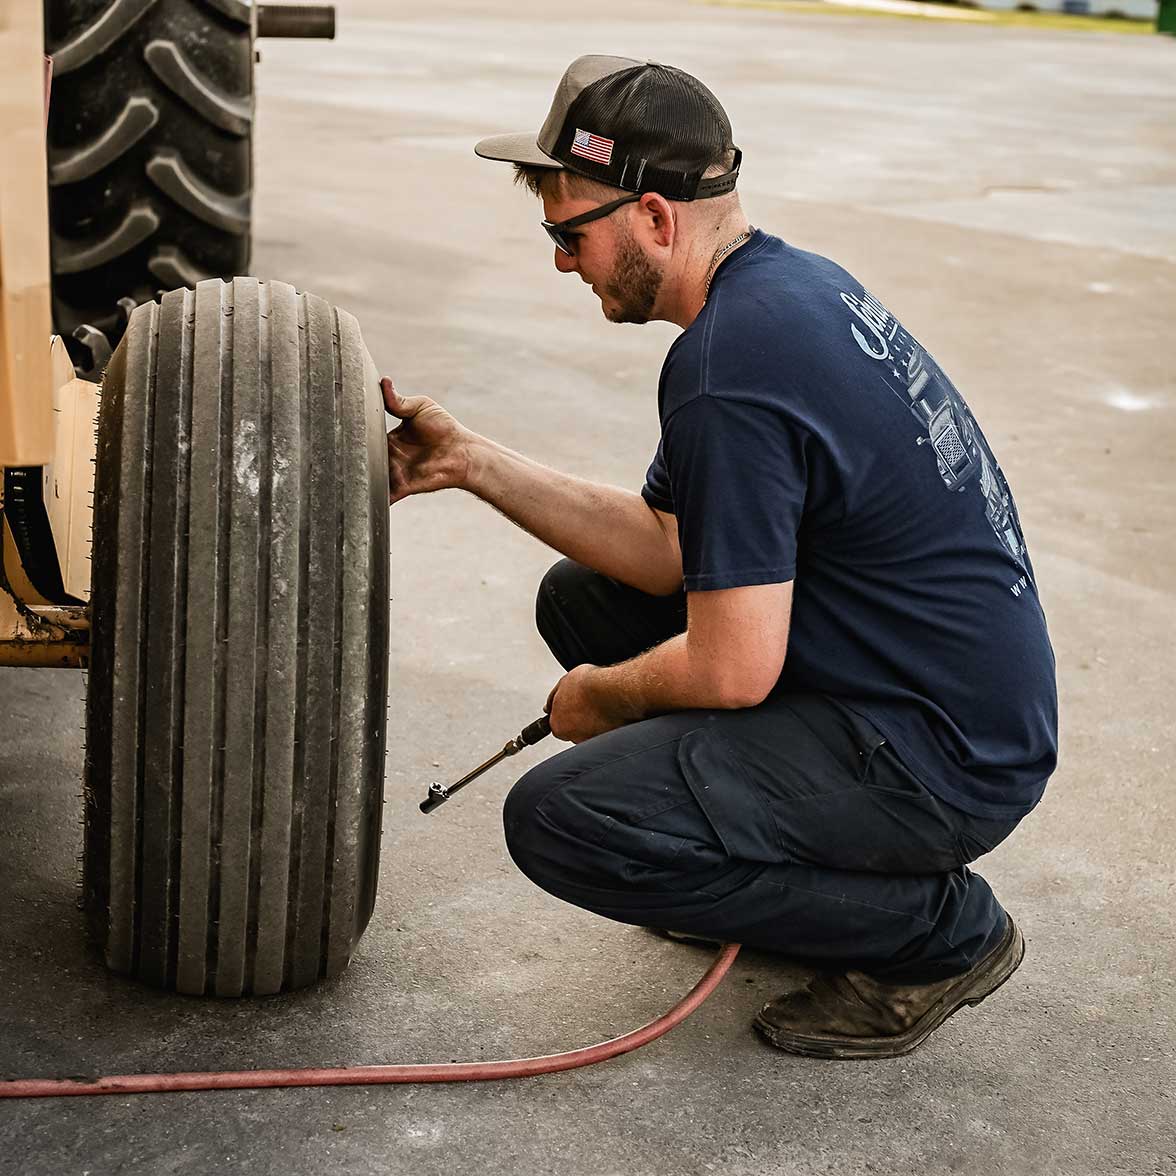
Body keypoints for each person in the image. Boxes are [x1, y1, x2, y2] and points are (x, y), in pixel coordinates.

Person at [382, 55, 1058, 1060]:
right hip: (938, 697)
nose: (562, 264)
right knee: (585, 601)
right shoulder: (782, 291)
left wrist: (599, 700)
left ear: (655, 217)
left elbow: (731, 669)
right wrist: (471, 462)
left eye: (571, 236)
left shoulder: (728, 370)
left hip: (941, 759)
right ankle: (772, 871)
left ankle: (940, 934)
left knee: (566, 823)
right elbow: (666, 554)